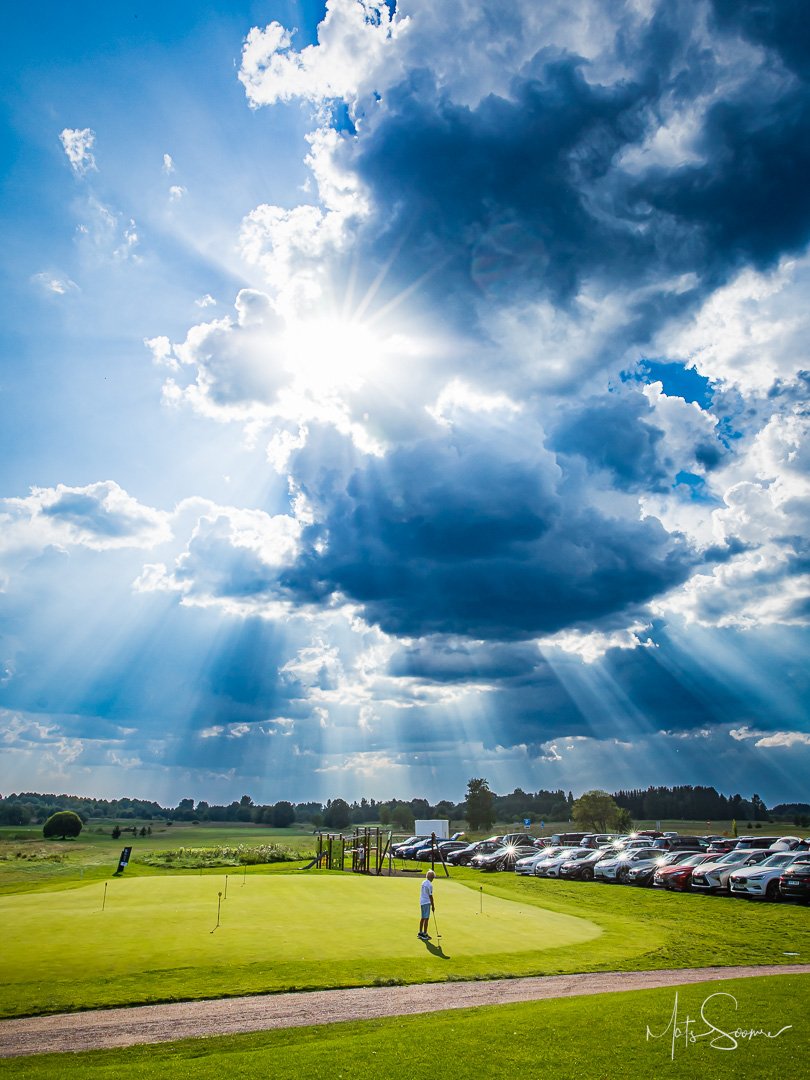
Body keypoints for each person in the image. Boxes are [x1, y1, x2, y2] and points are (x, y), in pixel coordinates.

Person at [418, 869, 435, 939]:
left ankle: (420, 932)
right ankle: (424, 934)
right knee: (426, 918)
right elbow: (430, 896)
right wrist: (433, 906)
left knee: (422, 917)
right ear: (431, 877)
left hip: (422, 901)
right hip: (426, 902)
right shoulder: (430, 885)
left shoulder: (423, 882)